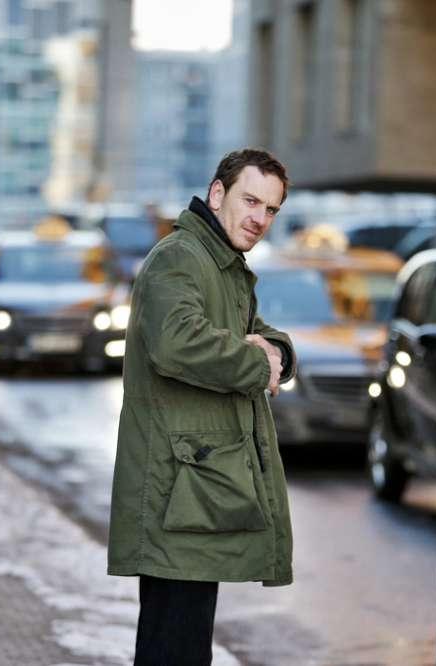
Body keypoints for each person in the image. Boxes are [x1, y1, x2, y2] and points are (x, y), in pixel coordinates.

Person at [108, 148, 296, 666]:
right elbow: (177, 343)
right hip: (177, 491)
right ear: (217, 194)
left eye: (271, 209)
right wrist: (258, 363)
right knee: (173, 651)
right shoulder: (180, 257)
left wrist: (278, 353)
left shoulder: (223, 265)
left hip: (198, 492)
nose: (260, 218)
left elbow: (257, 333)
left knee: (185, 650)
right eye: (250, 201)